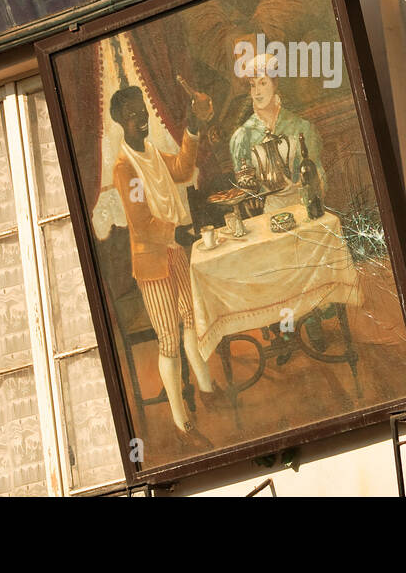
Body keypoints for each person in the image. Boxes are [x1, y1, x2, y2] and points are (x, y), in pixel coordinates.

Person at [110, 83, 216, 435]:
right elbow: (141, 224)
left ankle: (206, 387)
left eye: (143, 112)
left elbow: (185, 169)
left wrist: (193, 125)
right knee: (169, 338)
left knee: (191, 319)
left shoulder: (153, 153)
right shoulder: (125, 168)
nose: (141, 119)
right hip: (153, 264)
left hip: (175, 253)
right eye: (133, 115)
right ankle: (180, 418)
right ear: (121, 122)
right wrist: (178, 234)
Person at [228, 53, 325, 213]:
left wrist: (313, 198)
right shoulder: (242, 136)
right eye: (253, 85)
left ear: (275, 83)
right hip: (269, 213)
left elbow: (317, 174)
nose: (257, 92)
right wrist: (251, 198)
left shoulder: (299, 126)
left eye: (263, 83)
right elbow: (245, 188)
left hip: (304, 206)